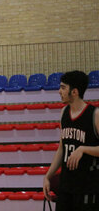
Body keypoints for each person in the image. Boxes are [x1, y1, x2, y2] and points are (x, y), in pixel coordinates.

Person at [43, 70, 99, 211]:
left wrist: (83, 149)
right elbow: (62, 148)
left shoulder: (95, 114)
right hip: (66, 184)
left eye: (63, 88)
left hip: (88, 186)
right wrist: (47, 176)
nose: (59, 91)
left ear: (74, 92)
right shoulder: (63, 113)